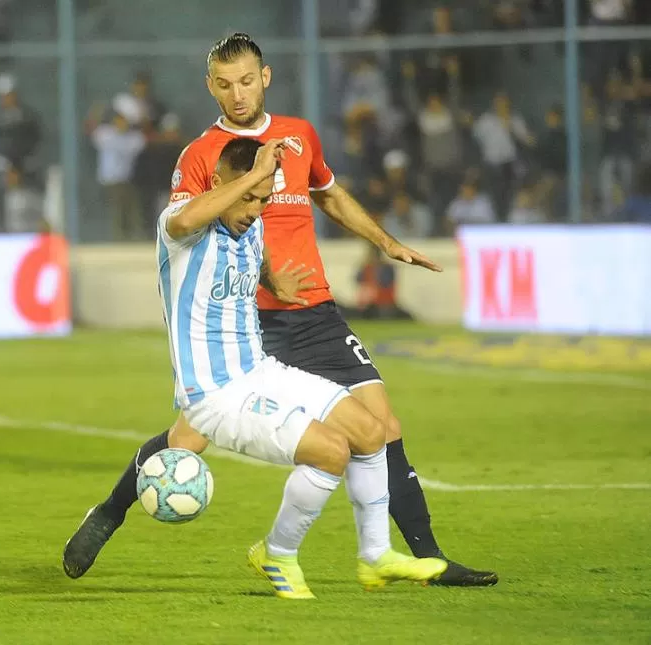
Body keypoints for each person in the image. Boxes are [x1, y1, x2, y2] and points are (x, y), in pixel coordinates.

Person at [63, 34, 497, 587]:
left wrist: (384, 241)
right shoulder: (201, 156)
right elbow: (191, 224)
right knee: (188, 437)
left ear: (265, 77)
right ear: (211, 87)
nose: (237, 94)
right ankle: (109, 513)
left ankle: (426, 558)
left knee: (382, 426)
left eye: (246, 80)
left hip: (312, 311)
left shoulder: (300, 135)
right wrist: (263, 269)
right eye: (225, 84)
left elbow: (330, 194)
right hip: (250, 320)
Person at [126, 135, 448, 597]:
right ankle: (277, 554)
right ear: (219, 183)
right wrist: (255, 175)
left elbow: (254, 259)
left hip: (259, 371)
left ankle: (375, 556)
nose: (255, 209)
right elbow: (188, 218)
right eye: (247, 196)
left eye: (263, 199)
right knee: (330, 452)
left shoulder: (251, 228)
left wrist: (273, 277)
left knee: (370, 429)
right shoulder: (180, 228)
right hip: (213, 396)